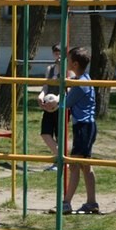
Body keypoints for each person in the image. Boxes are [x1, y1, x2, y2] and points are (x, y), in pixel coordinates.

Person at [54, 47, 99, 215]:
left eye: (68, 60)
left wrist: (52, 104)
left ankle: (66, 203)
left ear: (74, 63)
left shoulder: (80, 84)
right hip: (87, 126)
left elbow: (64, 104)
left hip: (83, 128)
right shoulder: (84, 78)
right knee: (85, 167)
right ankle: (91, 202)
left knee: (74, 166)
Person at [38, 43, 64, 171]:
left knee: (60, 135)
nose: (58, 55)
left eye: (60, 52)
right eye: (55, 52)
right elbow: (45, 86)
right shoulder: (50, 69)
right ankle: (60, 158)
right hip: (49, 106)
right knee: (45, 133)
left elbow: (67, 89)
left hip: (61, 106)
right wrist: (41, 96)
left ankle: (60, 162)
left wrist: (57, 100)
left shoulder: (67, 70)